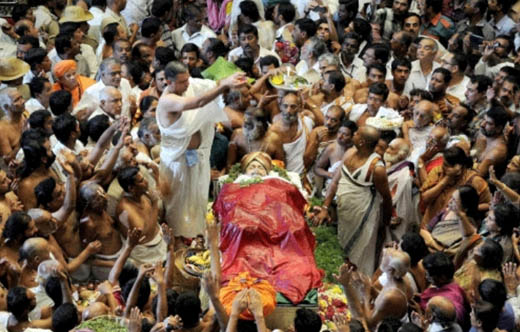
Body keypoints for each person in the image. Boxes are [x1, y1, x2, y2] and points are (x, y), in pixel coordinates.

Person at [157, 61, 245, 239]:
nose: (187, 84)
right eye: (182, 82)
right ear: (168, 81)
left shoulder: (190, 86)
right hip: (177, 163)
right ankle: (179, 241)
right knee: (178, 206)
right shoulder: (167, 100)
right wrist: (223, 86)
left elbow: (209, 86)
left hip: (198, 157)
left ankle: (196, 235)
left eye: (187, 79)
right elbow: (198, 102)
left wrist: (227, 81)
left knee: (198, 200)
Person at [314, 126, 392, 275]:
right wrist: (325, 207)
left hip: (363, 216)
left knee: (359, 256)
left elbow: (387, 198)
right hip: (344, 213)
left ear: (361, 142)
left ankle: (358, 292)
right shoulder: (349, 153)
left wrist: (385, 223)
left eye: (356, 133)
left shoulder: (377, 168)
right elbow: (335, 182)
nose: (353, 134)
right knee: (340, 250)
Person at [420, 146, 491, 227]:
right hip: (429, 224)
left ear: (459, 167)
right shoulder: (438, 171)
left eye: (446, 165)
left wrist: (464, 209)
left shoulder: (475, 181)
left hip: (454, 229)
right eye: (443, 163)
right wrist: (447, 179)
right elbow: (425, 198)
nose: (443, 167)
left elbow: (488, 204)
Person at [117, 166, 166, 265]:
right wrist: (155, 203)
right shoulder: (125, 209)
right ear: (131, 188)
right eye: (141, 181)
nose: (146, 181)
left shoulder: (141, 193)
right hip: (145, 253)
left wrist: (157, 178)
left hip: (158, 243)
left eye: (143, 177)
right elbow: (146, 236)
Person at [420, 252, 470, 327]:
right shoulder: (450, 283)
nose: (426, 277)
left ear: (442, 278)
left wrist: (420, 313)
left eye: (429, 275)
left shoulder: (450, 302)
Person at [269, 92, 314, 175]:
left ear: (300, 108)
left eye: (293, 107)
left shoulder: (306, 122)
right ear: (280, 107)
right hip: (283, 176)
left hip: (305, 174)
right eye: (285, 106)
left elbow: (323, 123)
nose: (288, 111)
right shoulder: (273, 131)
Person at [385, 138, 420, 239]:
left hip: (394, 217)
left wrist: (395, 216)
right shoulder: (391, 164)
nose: (387, 150)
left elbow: (403, 204)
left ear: (401, 155)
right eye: (388, 147)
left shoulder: (404, 175)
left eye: (391, 148)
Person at [473, 106, 508, 178]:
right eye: (483, 120)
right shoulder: (483, 134)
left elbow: (476, 177)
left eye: (488, 123)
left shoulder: (497, 151)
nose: (482, 124)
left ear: (498, 128)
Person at [0, 88, 26, 165]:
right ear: (6, 107)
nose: (23, 101)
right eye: (17, 100)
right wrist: (23, 138)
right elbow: (9, 161)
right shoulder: (2, 130)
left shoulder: (25, 115)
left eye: (21, 97)